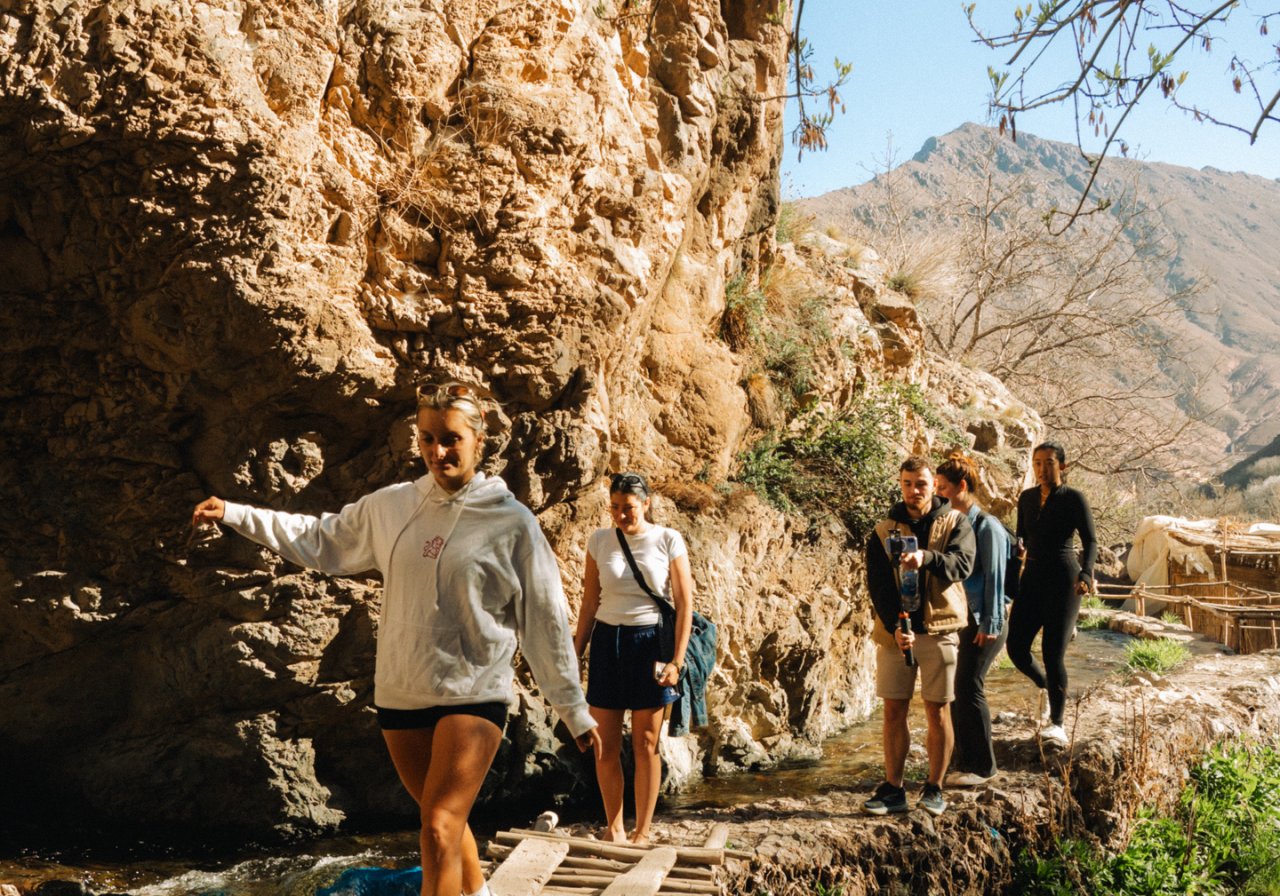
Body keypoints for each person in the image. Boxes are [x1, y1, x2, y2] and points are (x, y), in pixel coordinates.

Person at [190, 382, 602, 896]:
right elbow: (321, 539)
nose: (438, 451)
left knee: (437, 825)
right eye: (427, 439)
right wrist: (235, 513)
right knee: (444, 821)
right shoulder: (394, 506)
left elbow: (544, 617)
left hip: (473, 693)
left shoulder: (511, 523)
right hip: (402, 694)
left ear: (479, 440)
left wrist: (573, 708)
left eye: (450, 439)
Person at [573, 472, 693, 845]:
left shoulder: (667, 540)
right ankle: (614, 826)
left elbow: (684, 603)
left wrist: (676, 660)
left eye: (628, 508)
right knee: (604, 743)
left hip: (650, 642)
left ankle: (642, 830)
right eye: (614, 508)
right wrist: (575, 653)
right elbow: (590, 602)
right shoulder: (599, 541)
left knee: (645, 742)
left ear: (646, 504)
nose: (621, 515)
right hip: (609, 642)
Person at [863, 456, 976, 817]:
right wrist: (895, 626)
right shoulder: (883, 530)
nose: (915, 491)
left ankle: (934, 787)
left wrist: (925, 557)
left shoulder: (956, 522)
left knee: (937, 709)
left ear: (933, 486)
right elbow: (878, 586)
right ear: (900, 484)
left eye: (922, 484)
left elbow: (962, 565)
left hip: (940, 629)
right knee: (893, 708)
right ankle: (894, 788)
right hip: (896, 632)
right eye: (908, 483)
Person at [1007, 440, 1098, 747]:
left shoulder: (1074, 498)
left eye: (1048, 463)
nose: (1042, 469)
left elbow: (1091, 541)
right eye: (1037, 463)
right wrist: (1015, 549)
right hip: (1031, 578)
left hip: (1064, 580)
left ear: (1062, 466)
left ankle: (1057, 724)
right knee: (1016, 647)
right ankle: (1047, 686)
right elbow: (1021, 535)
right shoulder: (1027, 498)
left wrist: (1086, 573)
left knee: (1051, 653)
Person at [934, 452, 1011, 786]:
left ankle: (983, 768)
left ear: (961, 487)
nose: (937, 495)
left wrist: (990, 624)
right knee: (954, 688)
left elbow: (995, 578)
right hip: (963, 619)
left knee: (969, 685)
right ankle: (964, 762)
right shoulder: (956, 524)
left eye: (942, 488)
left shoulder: (987, 527)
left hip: (985, 619)